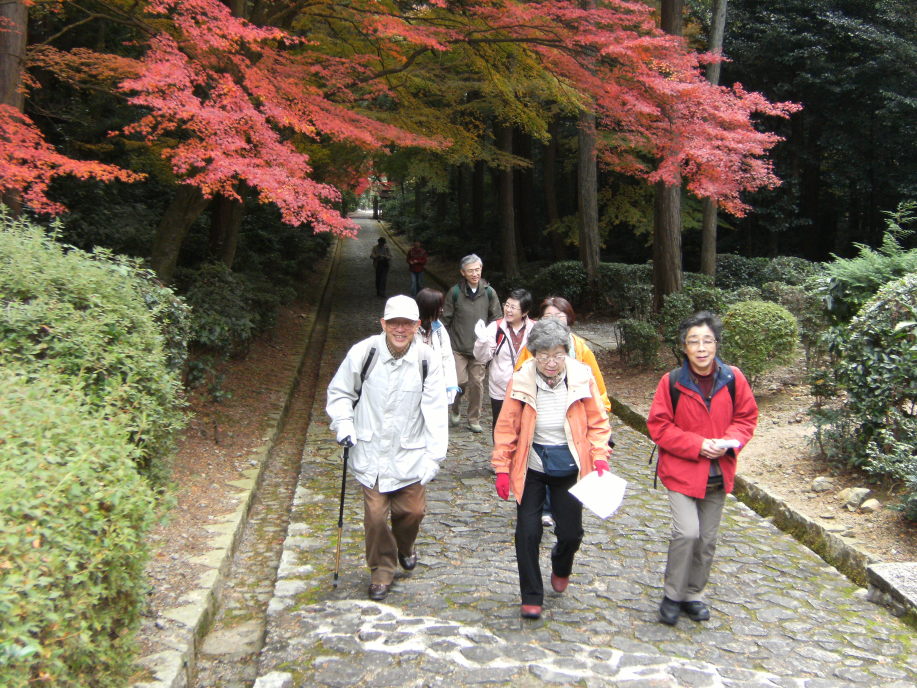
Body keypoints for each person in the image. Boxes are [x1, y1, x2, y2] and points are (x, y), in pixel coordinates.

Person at [326, 295, 448, 602]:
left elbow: (435, 410)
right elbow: (340, 392)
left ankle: (405, 547)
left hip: (410, 452)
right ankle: (381, 570)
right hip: (371, 452)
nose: (400, 329)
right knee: (376, 517)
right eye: (394, 323)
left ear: (417, 325)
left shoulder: (427, 360)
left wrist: (434, 456)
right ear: (383, 323)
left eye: (407, 324)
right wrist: (344, 423)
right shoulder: (364, 352)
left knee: (413, 512)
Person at [492, 318, 612, 620]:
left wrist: (599, 456)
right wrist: (502, 468)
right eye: (544, 355)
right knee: (527, 532)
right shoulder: (521, 379)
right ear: (534, 354)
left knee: (571, 533)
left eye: (557, 355)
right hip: (532, 465)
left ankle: (561, 564)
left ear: (566, 352)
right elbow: (506, 426)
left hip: (569, 466)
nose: (551, 362)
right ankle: (531, 595)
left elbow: (598, 422)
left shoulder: (581, 377)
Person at [646, 311, 758, 626]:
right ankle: (672, 595)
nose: (701, 348)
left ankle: (693, 594)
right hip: (681, 471)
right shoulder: (671, 382)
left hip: (719, 472)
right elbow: (659, 426)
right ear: (684, 347)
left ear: (716, 344)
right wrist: (697, 444)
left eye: (707, 341)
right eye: (693, 341)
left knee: (706, 540)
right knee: (687, 533)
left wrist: (728, 441)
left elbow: (746, 417)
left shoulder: (733, 378)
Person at [516, 296, 612, 527]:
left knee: (567, 466)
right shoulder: (533, 347)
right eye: (548, 316)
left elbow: (596, 382)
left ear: (568, 319)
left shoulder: (580, 347)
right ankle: (545, 508)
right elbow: (519, 376)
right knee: (541, 460)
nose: (554, 321)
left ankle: (563, 511)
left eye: (559, 316)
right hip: (539, 415)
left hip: (574, 417)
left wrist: (602, 408)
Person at [441, 254, 502, 433]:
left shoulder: (489, 292)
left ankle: (474, 418)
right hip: (457, 347)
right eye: (470, 271)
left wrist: (491, 340)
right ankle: (455, 408)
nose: (475, 274)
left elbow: (497, 318)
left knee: (477, 384)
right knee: (459, 381)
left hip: (479, 348)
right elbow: (446, 319)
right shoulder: (455, 292)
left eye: (477, 269)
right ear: (463, 272)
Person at [472, 288, 534, 434]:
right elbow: (481, 357)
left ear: (524, 312)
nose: (508, 310)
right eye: (507, 305)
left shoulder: (535, 329)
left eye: (513, 307)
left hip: (526, 388)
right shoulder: (496, 327)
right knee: (500, 426)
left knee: (524, 427)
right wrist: (482, 341)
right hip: (500, 388)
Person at [415, 288, 461, 406]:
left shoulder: (439, 329)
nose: (442, 310)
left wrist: (451, 384)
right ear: (428, 308)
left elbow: (447, 357)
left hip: (434, 386)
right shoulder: (409, 329)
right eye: (439, 307)